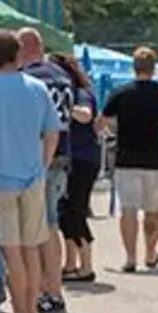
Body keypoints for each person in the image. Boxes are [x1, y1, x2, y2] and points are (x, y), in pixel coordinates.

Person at [0, 31, 61, 313]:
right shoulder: (37, 89)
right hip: (32, 177)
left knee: (10, 250)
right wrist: (43, 163)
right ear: (19, 55)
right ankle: (33, 308)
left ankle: (20, 312)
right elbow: (52, 132)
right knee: (31, 246)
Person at [102, 47, 158, 273]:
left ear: (134, 67)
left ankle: (130, 258)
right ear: (154, 67)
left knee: (128, 210)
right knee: (152, 210)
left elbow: (101, 122)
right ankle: (150, 253)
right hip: (157, 158)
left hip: (127, 157)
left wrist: (112, 132)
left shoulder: (120, 93)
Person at [18, 28, 73, 313]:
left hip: (40, 157)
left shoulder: (32, 79)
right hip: (64, 154)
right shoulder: (61, 75)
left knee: (38, 229)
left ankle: (47, 291)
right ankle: (54, 289)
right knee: (51, 225)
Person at [52, 53, 101, 283]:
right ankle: (70, 262)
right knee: (64, 212)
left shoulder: (80, 94)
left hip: (83, 159)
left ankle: (87, 264)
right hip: (68, 158)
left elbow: (86, 116)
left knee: (77, 209)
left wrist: (65, 106)